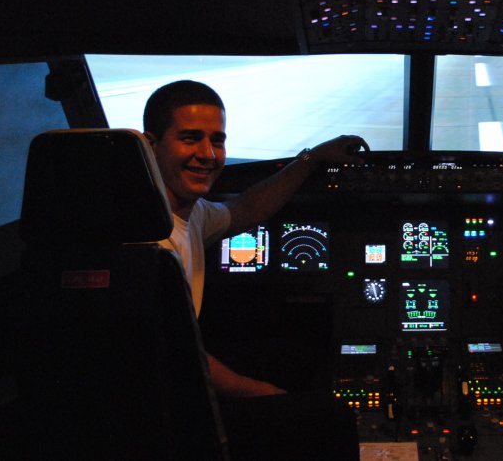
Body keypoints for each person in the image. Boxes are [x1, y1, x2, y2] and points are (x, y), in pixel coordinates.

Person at [143, 79, 368, 459]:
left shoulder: (191, 213)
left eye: (217, 140)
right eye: (190, 138)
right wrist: (261, 392)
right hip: (165, 413)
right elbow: (179, 357)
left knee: (299, 355)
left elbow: (244, 210)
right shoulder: (148, 241)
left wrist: (311, 159)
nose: (208, 155)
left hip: (173, 379)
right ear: (151, 146)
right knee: (332, 419)